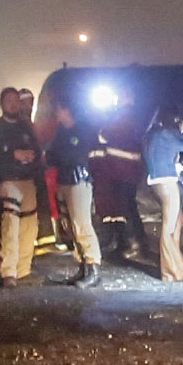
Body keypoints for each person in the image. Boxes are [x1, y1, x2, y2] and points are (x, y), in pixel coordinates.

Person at [0, 86, 47, 284]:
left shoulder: (26, 127)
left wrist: (32, 158)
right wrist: (12, 155)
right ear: (1, 104)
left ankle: (23, 269)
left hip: (28, 181)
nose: (14, 104)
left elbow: (37, 151)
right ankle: (9, 272)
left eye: (16, 100)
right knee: (11, 224)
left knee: (29, 227)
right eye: (9, 101)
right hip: (7, 181)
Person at [39, 86, 105, 282]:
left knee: (82, 224)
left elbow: (74, 155)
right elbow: (54, 155)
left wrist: (56, 156)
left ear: (67, 110)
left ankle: (93, 267)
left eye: (58, 109)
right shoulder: (62, 132)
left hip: (79, 181)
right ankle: (83, 266)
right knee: (72, 227)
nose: (56, 113)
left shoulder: (82, 129)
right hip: (65, 181)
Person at [141, 106, 183, 282]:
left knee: (177, 220)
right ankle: (171, 271)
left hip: (156, 181)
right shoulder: (164, 134)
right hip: (166, 181)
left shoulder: (150, 134)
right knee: (169, 226)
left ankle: (174, 264)